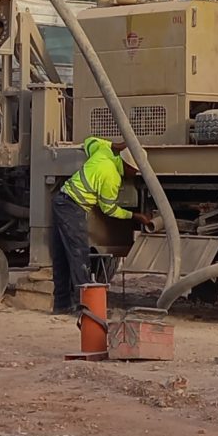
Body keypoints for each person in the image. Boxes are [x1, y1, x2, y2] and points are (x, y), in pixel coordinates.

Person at [50, 134, 136, 317]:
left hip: (61, 200)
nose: (135, 174)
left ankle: (61, 304)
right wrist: (135, 216)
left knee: (61, 255)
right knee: (78, 254)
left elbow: (88, 141)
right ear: (128, 166)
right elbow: (109, 209)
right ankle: (85, 307)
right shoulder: (112, 177)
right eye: (135, 171)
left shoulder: (103, 152)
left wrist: (114, 144)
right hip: (73, 206)